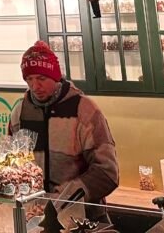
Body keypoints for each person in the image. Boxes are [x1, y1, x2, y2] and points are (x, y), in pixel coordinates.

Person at [10, 41, 119, 215]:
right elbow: (13, 163)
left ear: (55, 77)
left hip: (83, 217)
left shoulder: (84, 110)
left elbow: (107, 173)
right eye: (29, 79)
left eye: (41, 78)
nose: (35, 86)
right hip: (34, 217)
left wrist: (63, 199)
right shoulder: (19, 112)